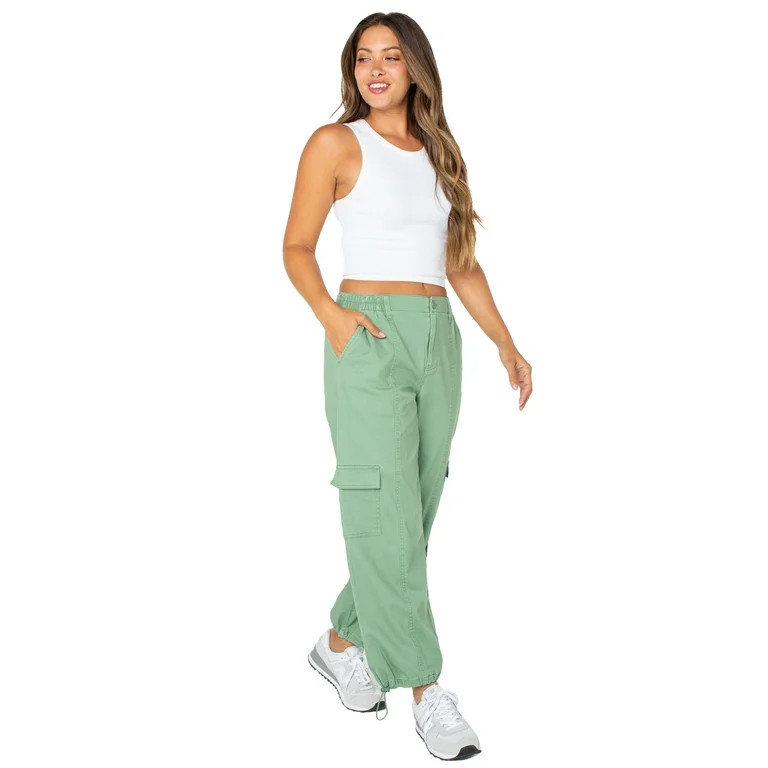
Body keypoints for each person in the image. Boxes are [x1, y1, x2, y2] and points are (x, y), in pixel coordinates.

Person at [283, 12, 532, 761]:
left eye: (391, 56)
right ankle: (427, 690)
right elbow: (296, 246)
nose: (376, 69)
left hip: (436, 335)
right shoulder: (335, 143)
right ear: (352, 70)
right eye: (364, 57)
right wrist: (333, 316)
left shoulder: (440, 153)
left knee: (412, 508)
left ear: (415, 67)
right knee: (383, 508)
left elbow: (460, 264)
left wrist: (505, 342)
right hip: (368, 332)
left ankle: (340, 640)